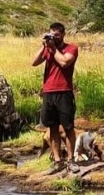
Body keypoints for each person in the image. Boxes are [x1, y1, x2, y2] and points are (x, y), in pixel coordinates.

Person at [32, 21, 78, 171]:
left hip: (64, 92)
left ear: (63, 34)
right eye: (51, 35)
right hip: (49, 92)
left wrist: (53, 49)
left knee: (68, 128)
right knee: (52, 128)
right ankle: (58, 161)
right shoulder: (48, 48)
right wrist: (44, 46)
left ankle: (71, 160)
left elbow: (64, 62)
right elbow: (34, 62)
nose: (54, 38)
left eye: (56, 35)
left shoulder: (71, 48)